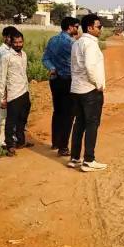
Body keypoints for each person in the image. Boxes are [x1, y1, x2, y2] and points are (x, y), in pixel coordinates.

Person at [68, 13, 107, 172]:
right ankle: (89, 160)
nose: (101, 29)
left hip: (77, 89)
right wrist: (98, 84)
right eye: (99, 26)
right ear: (90, 28)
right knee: (92, 124)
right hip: (90, 90)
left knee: (79, 123)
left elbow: (74, 67)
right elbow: (90, 67)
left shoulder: (76, 43)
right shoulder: (90, 44)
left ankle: (75, 158)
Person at [42, 17, 80, 156]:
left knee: (57, 111)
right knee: (68, 114)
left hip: (55, 80)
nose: (78, 29)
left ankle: (56, 142)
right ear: (70, 27)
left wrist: (52, 68)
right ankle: (63, 147)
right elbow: (77, 63)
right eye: (76, 26)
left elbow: (45, 58)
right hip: (68, 81)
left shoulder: (52, 40)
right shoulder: (72, 43)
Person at [0, 30, 32, 156]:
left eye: (20, 42)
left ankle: (20, 141)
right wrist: (2, 97)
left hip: (24, 91)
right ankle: (10, 145)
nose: (18, 44)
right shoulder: (6, 57)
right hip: (13, 93)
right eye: (16, 42)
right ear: (11, 42)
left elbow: (23, 73)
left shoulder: (24, 54)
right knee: (11, 120)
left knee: (23, 118)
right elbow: (2, 78)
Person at [0, 26, 18, 148]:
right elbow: (3, 73)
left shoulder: (14, 50)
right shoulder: (2, 51)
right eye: (9, 37)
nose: (11, 39)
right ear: (4, 37)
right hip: (4, 85)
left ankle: (11, 137)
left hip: (14, 86)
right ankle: (0, 141)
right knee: (2, 115)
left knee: (12, 114)